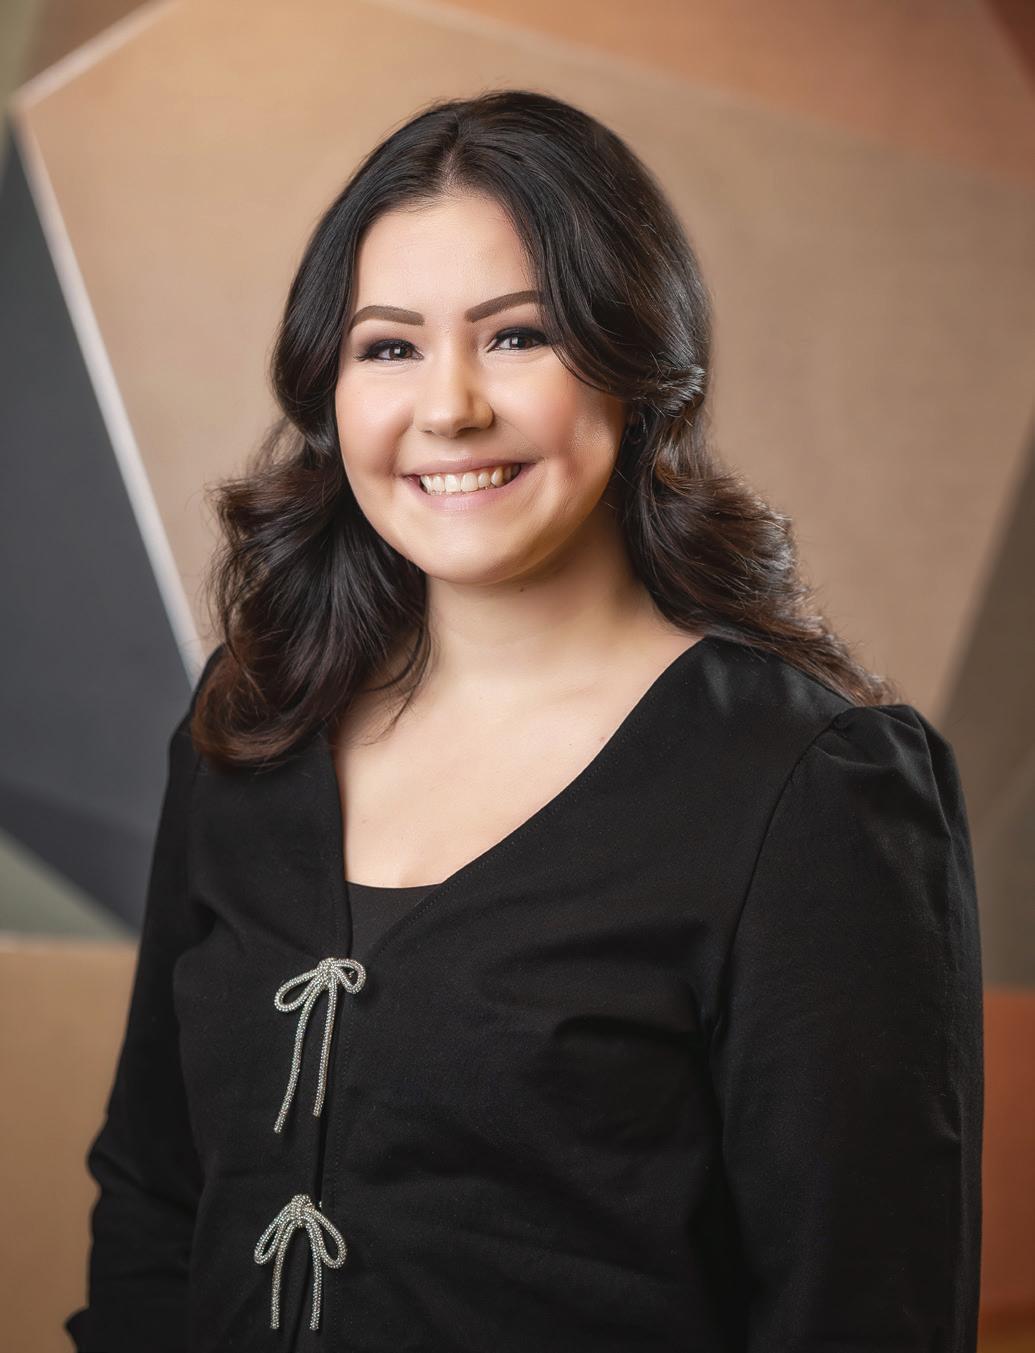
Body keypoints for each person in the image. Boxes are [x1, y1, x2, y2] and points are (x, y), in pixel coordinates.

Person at [66, 89, 983, 1352]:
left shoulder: (813, 785)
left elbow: (861, 1310)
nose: (449, 408)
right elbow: (154, 1197)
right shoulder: (253, 723)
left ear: (635, 367)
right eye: (389, 348)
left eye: (518, 336)